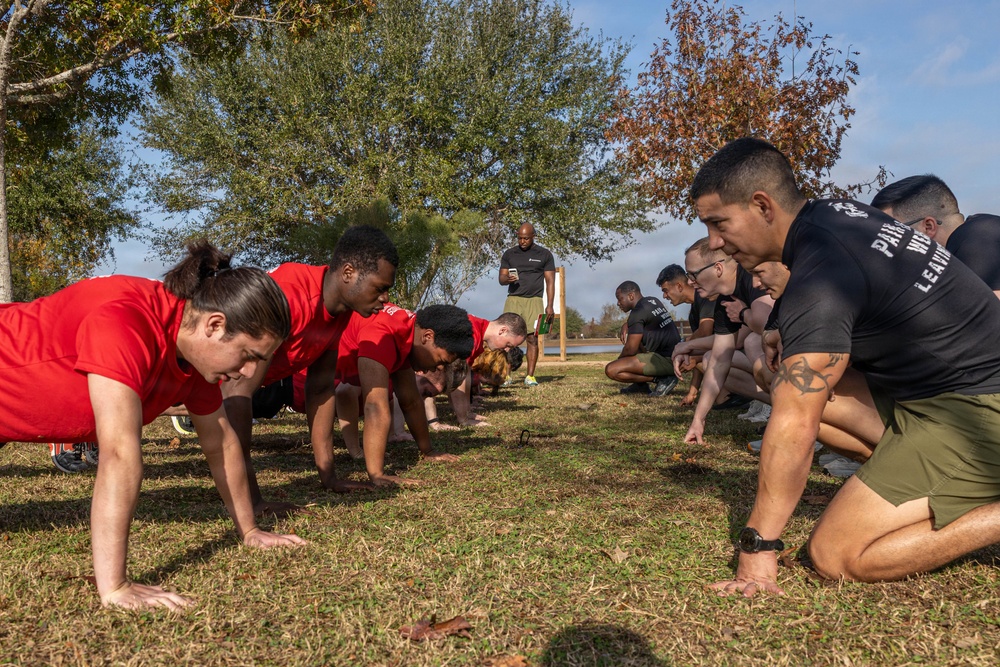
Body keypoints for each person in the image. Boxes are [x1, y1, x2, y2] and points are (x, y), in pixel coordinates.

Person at [690, 137, 1000, 596]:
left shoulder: (824, 271)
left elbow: (796, 421)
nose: (716, 243)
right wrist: (781, 330)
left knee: (836, 555)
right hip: (931, 396)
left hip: (975, 414)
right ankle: (911, 479)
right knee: (779, 378)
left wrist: (758, 549)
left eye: (719, 224)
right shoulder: (834, 216)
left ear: (762, 206)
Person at [0, 241, 306, 609]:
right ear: (214, 324)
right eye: (248, 355)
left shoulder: (193, 353)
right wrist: (115, 587)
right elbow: (118, 452)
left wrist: (250, 530)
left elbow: (221, 442)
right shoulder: (125, 322)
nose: (250, 373)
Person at [221, 225, 399, 514]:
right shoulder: (292, 297)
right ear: (349, 273)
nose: (386, 299)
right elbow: (236, 390)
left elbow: (320, 388)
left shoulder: (340, 310)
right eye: (380, 288)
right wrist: (251, 500)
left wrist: (329, 477)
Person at [334, 303, 473, 486]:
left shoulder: (406, 332)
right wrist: (377, 474)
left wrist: (428, 451)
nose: (438, 368)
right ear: (428, 336)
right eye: (441, 361)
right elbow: (375, 405)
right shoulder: (383, 333)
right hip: (297, 380)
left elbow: (411, 401)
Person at [672, 238, 774, 444]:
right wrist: (698, 420)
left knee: (755, 342)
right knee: (712, 360)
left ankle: (800, 420)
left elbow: (767, 323)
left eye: (693, 274)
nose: (690, 282)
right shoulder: (725, 299)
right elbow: (720, 359)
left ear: (718, 268)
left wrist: (743, 313)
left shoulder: (751, 276)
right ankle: (786, 410)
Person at [871, 174, 1000, 297]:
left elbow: (990, 313)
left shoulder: (976, 236)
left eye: (894, 233)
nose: (889, 244)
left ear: (928, 226)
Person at [429, 312, 527, 427]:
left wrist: (467, 412)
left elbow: (464, 375)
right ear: (502, 331)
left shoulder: (478, 330)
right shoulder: (471, 335)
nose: (506, 350)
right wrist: (463, 419)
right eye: (508, 344)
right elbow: (456, 377)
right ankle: (432, 421)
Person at [498, 223, 556, 386]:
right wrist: (506, 279)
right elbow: (501, 279)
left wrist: (549, 305)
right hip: (514, 299)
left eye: (526, 238)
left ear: (533, 237)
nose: (522, 241)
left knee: (532, 338)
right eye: (519, 238)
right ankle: (506, 375)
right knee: (506, 339)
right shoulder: (509, 254)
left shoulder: (544, 254)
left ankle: (530, 376)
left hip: (534, 300)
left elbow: (550, 281)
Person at [604, 281, 681, 396]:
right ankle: (640, 386)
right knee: (638, 338)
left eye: (620, 299)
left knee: (612, 370)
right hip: (677, 354)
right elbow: (644, 319)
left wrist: (618, 361)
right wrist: (628, 324)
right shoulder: (652, 301)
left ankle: (661, 379)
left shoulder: (638, 312)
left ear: (631, 296)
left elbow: (630, 349)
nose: (618, 303)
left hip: (668, 360)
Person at [657, 264, 716, 405]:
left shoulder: (704, 297)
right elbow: (699, 345)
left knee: (690, 353)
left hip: (738, 353)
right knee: (690, 354)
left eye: (666, 290)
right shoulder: (694, 310)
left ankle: (739, 395)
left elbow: (705, 331)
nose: (664, 296)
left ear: (679, 286)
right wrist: (692, 394)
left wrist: (684, 344)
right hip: (717, 354)